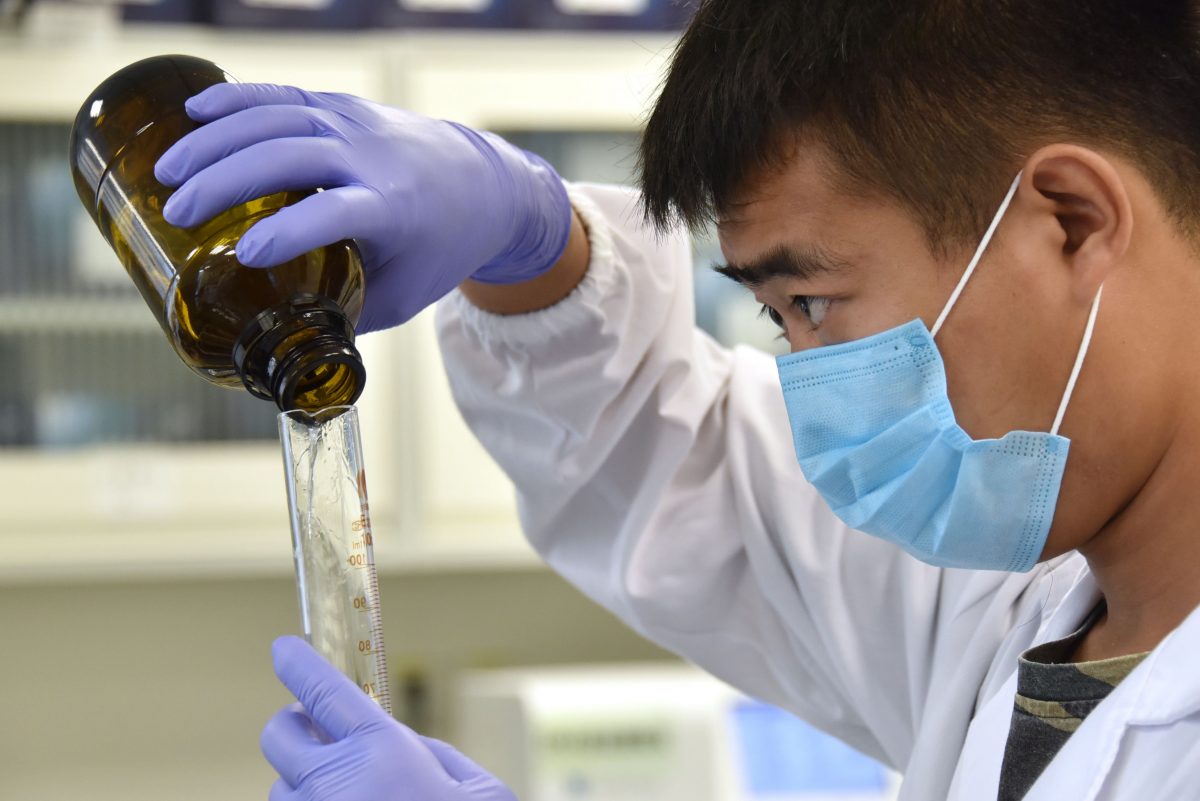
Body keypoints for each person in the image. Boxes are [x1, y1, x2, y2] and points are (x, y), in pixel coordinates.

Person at [153, 1, 1200, 799]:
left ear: (1068, 218)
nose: (808, 383)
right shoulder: (1010, 607)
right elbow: (685, 470)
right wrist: (530, 246)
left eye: (814, 303)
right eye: (777, 320)